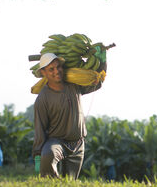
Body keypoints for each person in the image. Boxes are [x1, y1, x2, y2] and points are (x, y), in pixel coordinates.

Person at [32, 50, 107, 179]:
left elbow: (97, 82)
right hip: (56, 142)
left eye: (58, 67)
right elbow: (40, 128)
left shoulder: (74, 85)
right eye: (51, 69)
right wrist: (39, 154)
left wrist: (103, 62)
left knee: (70, 182)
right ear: (44, 73)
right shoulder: (43, 98)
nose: (56, 71)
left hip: (78, 143)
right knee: (47, 156)